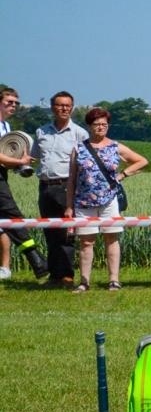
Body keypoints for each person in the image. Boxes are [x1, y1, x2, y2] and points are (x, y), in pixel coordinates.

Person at [64, 106, 147, 291]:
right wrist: (69, 206)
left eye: (104, 124)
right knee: (86, 242)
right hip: (83, 202)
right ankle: (84, 281)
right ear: (89, 126)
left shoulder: (115, 146)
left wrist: (123, 174)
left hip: (109, 200)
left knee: (112, 239)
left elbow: (141, 160)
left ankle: (114, 280)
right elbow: (71, 180)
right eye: (96, 124)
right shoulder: (78, 148)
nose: (101, 127)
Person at [34, 91, 90, 286]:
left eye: (67, 105)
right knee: (50, 233)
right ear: (52, 107)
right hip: (45, 187)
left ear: (72, 108)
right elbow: (34, 158)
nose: (64, 108)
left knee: (67, 233)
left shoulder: (80, 134)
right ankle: (55, 275)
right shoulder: (41, 132)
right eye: (60, 105)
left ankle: (67, 275)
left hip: (67, 186)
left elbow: (86, 162)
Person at [0, 87, 48, 280]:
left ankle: (35, 261)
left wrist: (19, 163)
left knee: (6, 220)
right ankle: (36, 260)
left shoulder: (6, 127)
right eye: (9, 102)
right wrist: (20, 162)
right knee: (13, 215)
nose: (13, 105)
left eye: (16, 103)